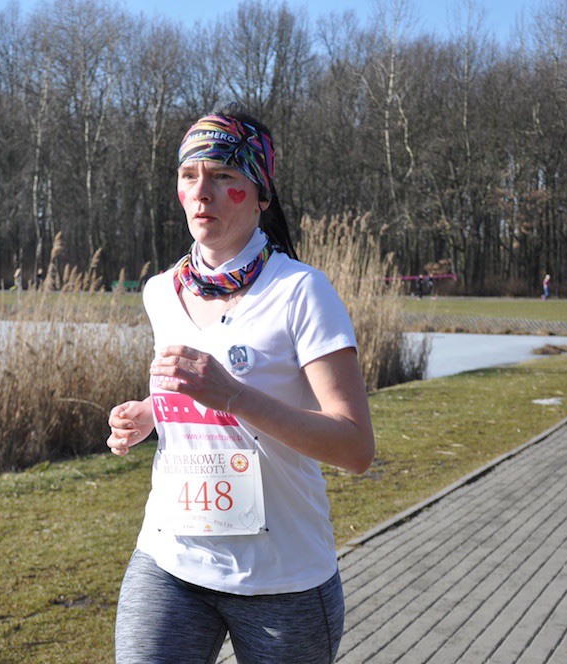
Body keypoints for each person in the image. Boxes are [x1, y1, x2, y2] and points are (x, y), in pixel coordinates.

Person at [105, 106, 375, 663]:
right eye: (189, 175)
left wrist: (232, 395)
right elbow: (189, 391)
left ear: (260, 195)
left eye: (223, 175)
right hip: (170, 560)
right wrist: (150, 414)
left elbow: (354, 447)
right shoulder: (160, 292)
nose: (201, 192)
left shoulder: (301, 291)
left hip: (282, 578)